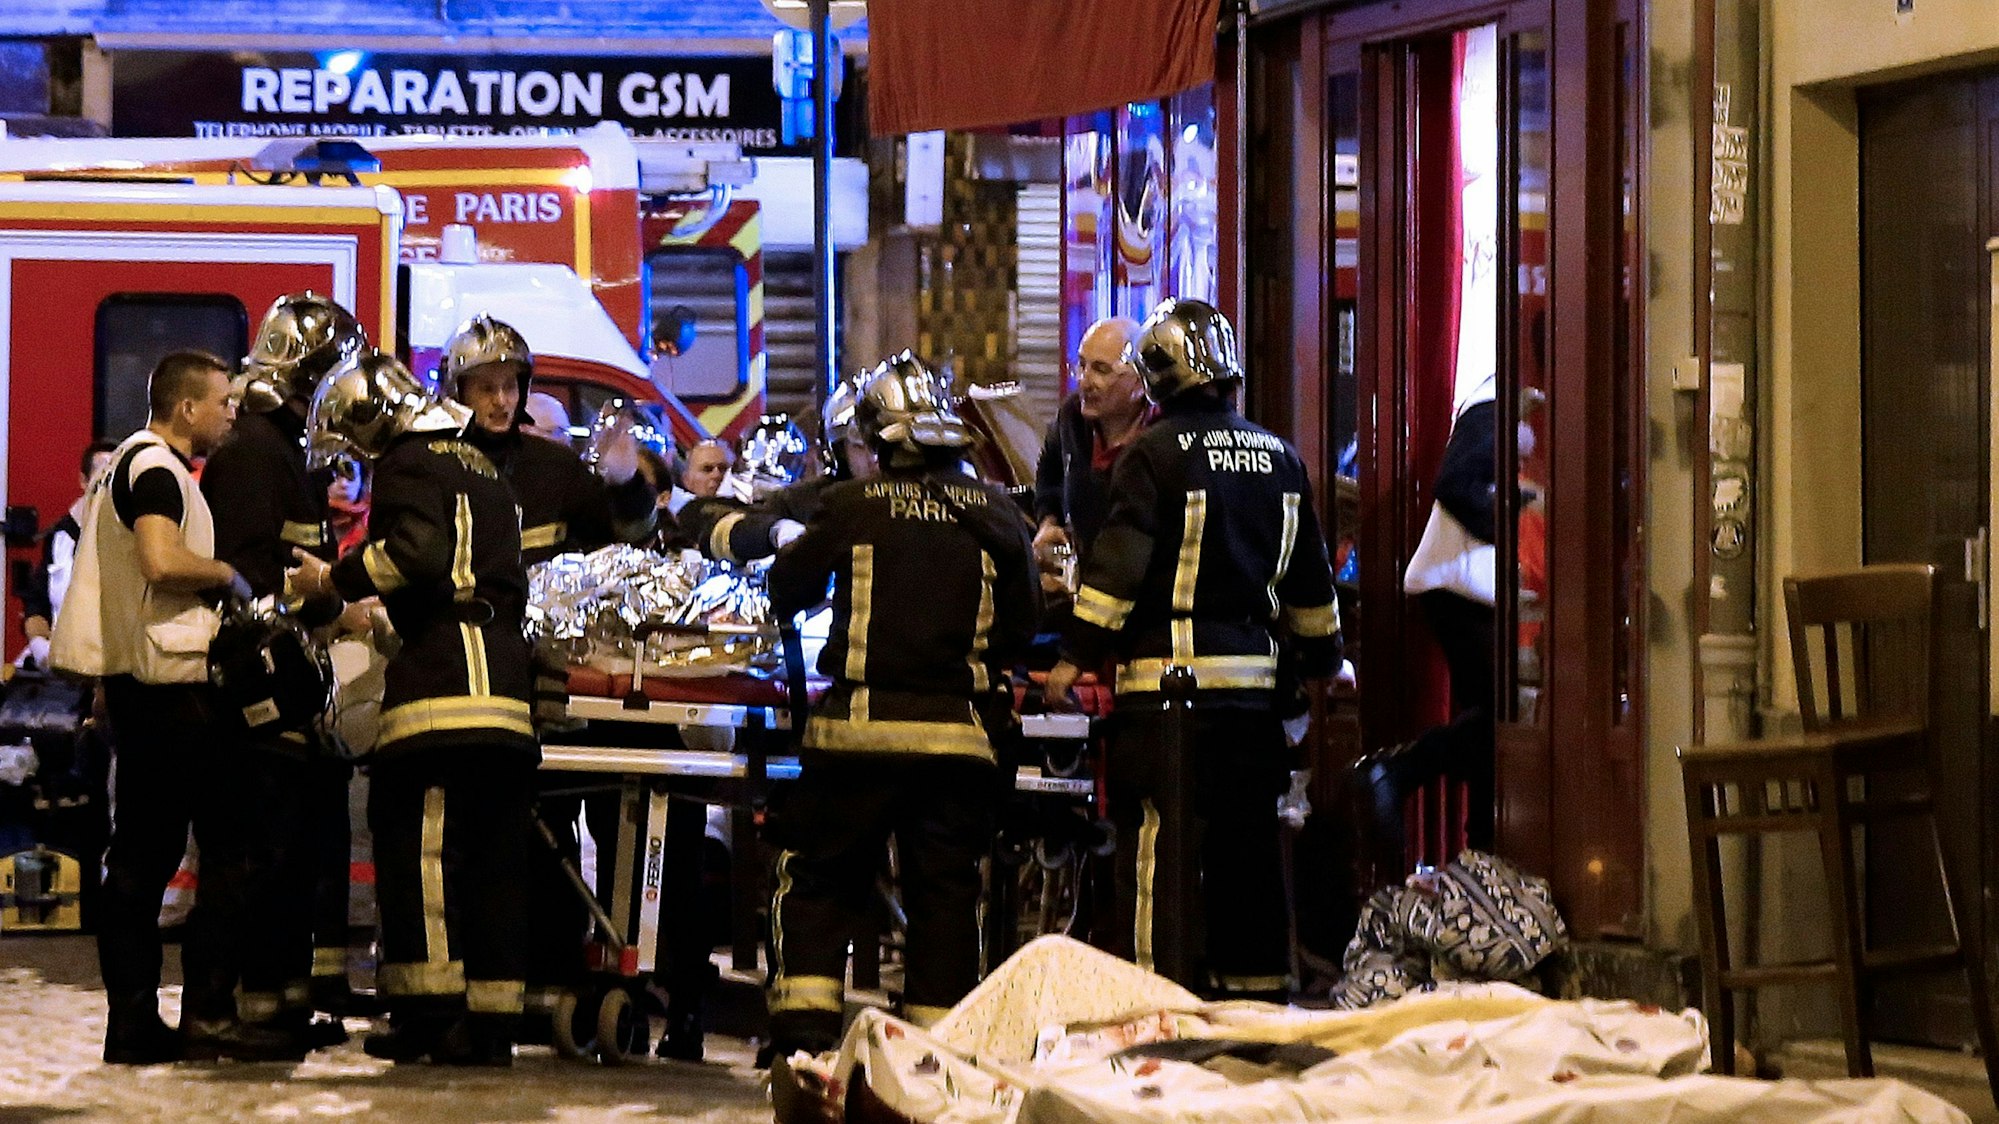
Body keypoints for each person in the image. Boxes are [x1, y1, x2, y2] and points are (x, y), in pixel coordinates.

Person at [1044, 299, 1340, 997]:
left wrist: (1071, 660)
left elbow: (1115, 577)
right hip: (1255, 703)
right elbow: (1311, 590)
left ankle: (1157, 1001)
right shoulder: (1281, 457)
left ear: (1154, 378)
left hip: (1168, 700)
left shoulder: (1151, 456)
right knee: (1249, 851)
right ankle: (1256, 1001)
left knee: (1159, 850)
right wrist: (1321, 665)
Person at [763, 351, 1038, 1059]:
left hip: (856, 740)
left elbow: (786, 589)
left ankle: (805, 1039)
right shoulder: (997, 513)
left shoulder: (851, 505)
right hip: (957, 745)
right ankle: (932, 1052)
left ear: (877, 436)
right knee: (945, 893)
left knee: (819, 878)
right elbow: (1022, 626)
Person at [288, 349, 537, 1066]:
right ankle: (491, 1022)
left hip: (441, 690)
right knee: (495, 861)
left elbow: (415, 555)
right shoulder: (483, 464)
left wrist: (331, 579)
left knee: (420, 849)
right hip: (504, 687)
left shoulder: (408, 459)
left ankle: (431, 1016)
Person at [434, 314, 656, 1046]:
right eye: (485, 387)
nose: (501, 401)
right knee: (483, 842)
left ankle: (561, 979)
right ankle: (486, 989)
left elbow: (627, 556)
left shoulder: (556, 472)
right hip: (467, 686)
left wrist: (627, 487)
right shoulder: (433, 466)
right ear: (458, 390)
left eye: (510, 386)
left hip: (556, 693)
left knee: (558, 833)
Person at [49, 350, 261, 1064]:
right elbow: (161, 562)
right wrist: (229, 575)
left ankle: (135, 1022)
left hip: (140, 687)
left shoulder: (126, 464)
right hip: (176, 689)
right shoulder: (158, 470)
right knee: (230, 847)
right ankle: (209, 1015)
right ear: (186, 408)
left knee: (141, 858)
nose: (231, 414)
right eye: (223, 402)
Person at [198, 292, 367, 1053]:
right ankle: (240, 1011)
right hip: (257, 695)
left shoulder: (288, 454)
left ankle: (280, 1008)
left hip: (291, 689)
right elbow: (247, 581)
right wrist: (327, 605)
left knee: (288, 857)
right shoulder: (251, 456)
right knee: (256, 858)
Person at [1032, 316, 1149, 588]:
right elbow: (1048, 474)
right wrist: (1048, 521)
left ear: (1139, 382)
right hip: (1088, 587)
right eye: (1081, 365)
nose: (1084, 382)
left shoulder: (1163, 437)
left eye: (1101, 370)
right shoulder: (1072, 416)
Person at [18, 439, 116, 669]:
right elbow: (36, 603)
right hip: (62, 666)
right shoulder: (61, 536)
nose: (108, 488)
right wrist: (40, 646)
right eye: (101, 478)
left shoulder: (133, 536)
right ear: (84, 481)